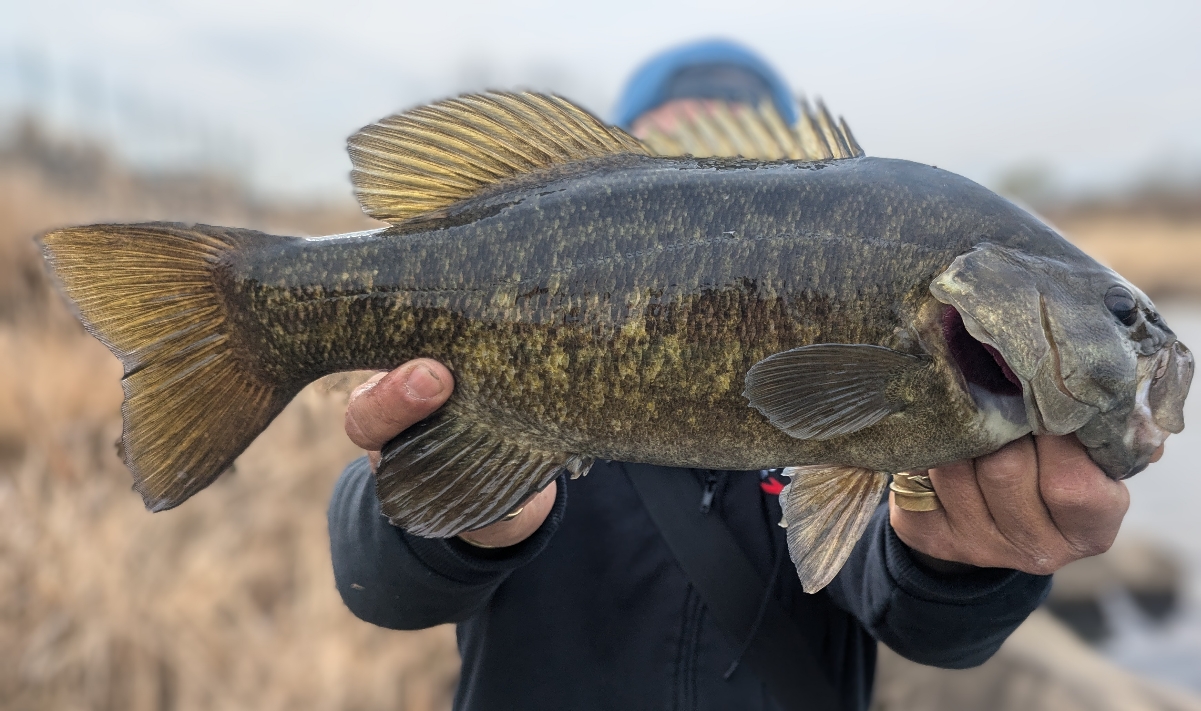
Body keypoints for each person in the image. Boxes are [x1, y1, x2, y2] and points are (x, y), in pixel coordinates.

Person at [327, 40, 1134, 711]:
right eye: (677, 159)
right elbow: (380, 587)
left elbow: (918, 616)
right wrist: (473, 515)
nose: (706, 183)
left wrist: (967, 564)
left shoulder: (902, 408)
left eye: (734, 159)